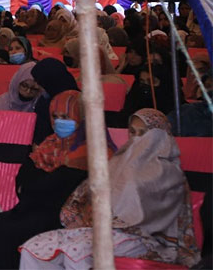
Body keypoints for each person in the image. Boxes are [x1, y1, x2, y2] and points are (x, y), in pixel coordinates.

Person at [20, 108, 199, 269]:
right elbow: (87, 194)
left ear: (160, 136)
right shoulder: (117, 163)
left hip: (145, 238)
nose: (137, 139)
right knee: (33, 248)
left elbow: (155, 217)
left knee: (77, 255)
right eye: (132, 132)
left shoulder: (168, 173)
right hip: (99, 230)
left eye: (143, 134)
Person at [0, 90, 96, 268]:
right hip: (28, 211)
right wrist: (37, 184)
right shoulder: (50, 143)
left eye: (67, 117)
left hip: (59, 220)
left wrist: (35, 184)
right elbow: (23, 180)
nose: (59, 122)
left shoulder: (88, 153)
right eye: (55, 116)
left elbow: (48, 188)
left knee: (3, 238)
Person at [31, 58, 79, 143]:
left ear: (50, 81)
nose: (36, 86)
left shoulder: (76, 102)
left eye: (39, 82)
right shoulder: (44, 100)